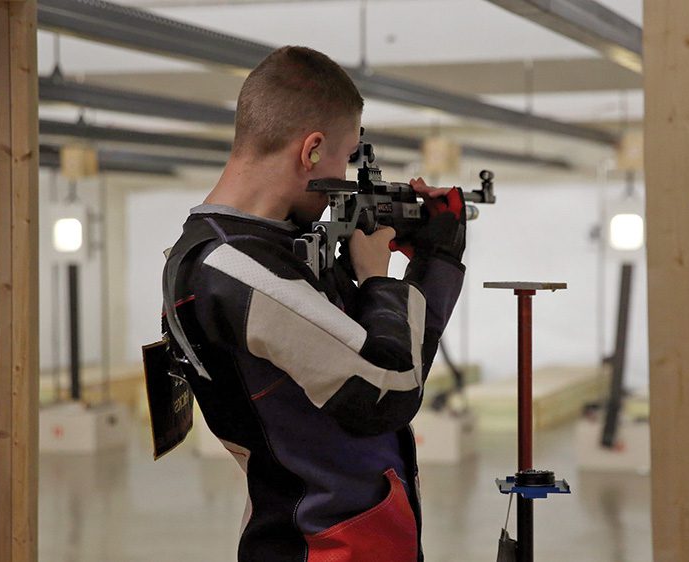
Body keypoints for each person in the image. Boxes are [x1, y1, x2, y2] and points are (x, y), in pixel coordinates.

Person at [161, 45, 466, 561]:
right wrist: (374, 277)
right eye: (347, 159)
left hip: (358, 538)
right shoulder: (236, 270)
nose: (344, 181)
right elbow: (386, 393)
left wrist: (437, 258)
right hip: (319, 547)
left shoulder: (268, 251)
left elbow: (399, 365)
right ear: (311, 151)